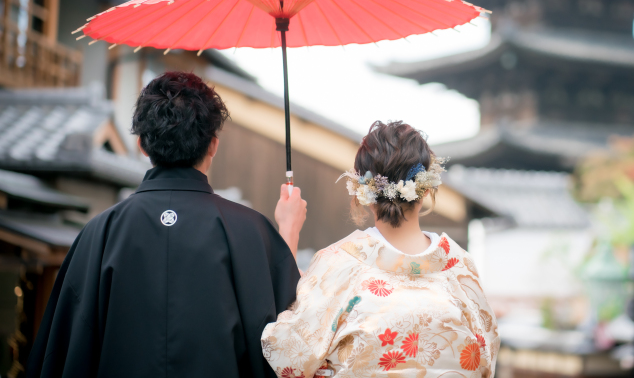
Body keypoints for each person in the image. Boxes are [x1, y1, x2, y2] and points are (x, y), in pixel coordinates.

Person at [28, 71, 308, 378]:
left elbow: (63, 350)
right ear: (213, 145)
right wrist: (288, 230)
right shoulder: (251, 232)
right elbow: (288, 342)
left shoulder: (99, 232)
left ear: (142, 146)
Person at [261, 121, 499, 378]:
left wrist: (288, 232)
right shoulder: (460, 267)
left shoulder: (339, 264)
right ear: (427, 188)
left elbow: (288, 355)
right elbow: (487, 357)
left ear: (362, 191)